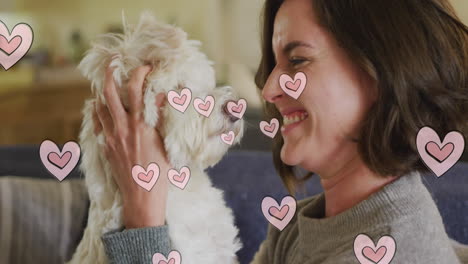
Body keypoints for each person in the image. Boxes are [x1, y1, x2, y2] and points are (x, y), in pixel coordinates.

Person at [93, 0, 468, 263]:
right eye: (274, 64)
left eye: (298, 60)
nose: (269, 88)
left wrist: (143, 218)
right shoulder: (299, 228)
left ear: (383, 73)